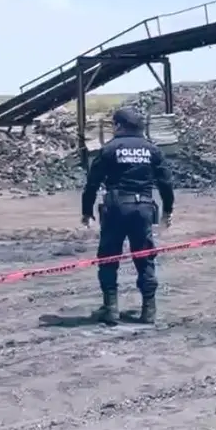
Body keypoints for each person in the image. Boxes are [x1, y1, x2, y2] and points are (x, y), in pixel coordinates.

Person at [80, 107, 175, 325]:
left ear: (119, 126)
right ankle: (148, 310)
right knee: (144, 258)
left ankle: (111, 309)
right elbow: (165, 184)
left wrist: (86, 212)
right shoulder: (153, 150)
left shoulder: (109, 149)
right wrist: (168, 211)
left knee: (108, 258)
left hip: (115, 208)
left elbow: (92, 184)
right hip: (143, 209)